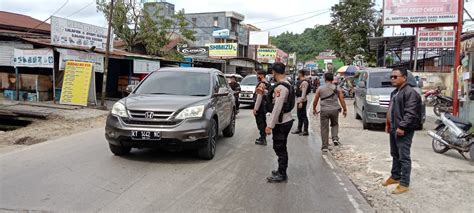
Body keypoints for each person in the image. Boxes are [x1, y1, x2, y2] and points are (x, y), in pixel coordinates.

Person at [383, 67, 422, 195]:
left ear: (404, 78)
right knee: (395, 153)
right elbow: (392, 109)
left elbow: (410, 113)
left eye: (395, 77)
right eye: (391, 77)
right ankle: (395, 176)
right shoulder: (395, 92)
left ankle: (404, 183)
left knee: (404, 156)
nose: (392, 79)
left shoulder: (410, 93)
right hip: (394, 127)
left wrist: (402, 127)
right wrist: (388, 124)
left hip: (403, 130)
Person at [257, 62, 294, 183]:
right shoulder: (285, 84)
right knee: (279, 146)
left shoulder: (281, 87)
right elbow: (277, 99)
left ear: (274, 72)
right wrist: (265, 93)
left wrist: (269, 126)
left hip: (281, 122)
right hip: (284, 120)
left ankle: (282, 173)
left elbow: (277, 107)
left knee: (280, 147)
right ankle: (280, 170)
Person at [312, 72, 347, 152]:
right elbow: (342, 99)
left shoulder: (320, 88)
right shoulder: (337, 88)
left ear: (325, 79)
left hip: (324, 110)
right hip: (335, 110)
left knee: (324, 128)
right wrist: (345, 109)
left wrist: (314, 108)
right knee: (334, 124)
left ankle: (325, 146)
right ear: (332, 79)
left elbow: (315, 100)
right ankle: (335, 138)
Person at [253, 70, 270, 146]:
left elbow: (259, 97)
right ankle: (263, 137)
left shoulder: (261, 84)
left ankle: (263, 139)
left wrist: (255, 108)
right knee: (263, 121)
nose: (257, 77)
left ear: (262, 75)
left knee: (260, 122)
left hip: (260, 106)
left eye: (258, 75)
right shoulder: (266, 83)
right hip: (264, 106)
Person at [292, 70, 310, 136]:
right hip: (299, 99)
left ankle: (305, 130)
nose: (297, 74)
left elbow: (303, 93)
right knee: (299, 115)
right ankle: (299, 129)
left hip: (302, 100)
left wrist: (301, 102)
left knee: (303, 115)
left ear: (301, 74)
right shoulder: (300, 82)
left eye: (298, 73)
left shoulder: (304, 82)